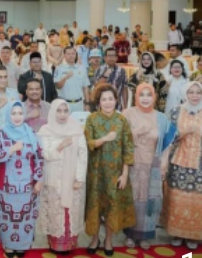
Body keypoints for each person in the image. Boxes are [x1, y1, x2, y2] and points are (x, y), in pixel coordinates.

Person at [161, 81, 202, 250]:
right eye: (191, 92)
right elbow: (166, 139)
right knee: (177, 200)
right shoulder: (175, 112)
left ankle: (193, 235)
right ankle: (177, 233)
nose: (194, 96)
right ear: (185, 94)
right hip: (177, 165)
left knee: (196, 201)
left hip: (201, 166)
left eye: (198, 92)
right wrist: (183, 132)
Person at [84, 84, 136, 256]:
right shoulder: (92, 119)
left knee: (112, 207)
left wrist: (125, 174)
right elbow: (88, 143)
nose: (107, 102)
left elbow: (128, 148)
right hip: (96, 173)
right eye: (104, 99)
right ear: (98, 102)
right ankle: (95, 239)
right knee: (95, 206)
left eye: (110, 99)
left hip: (115, 173)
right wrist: (104, 139)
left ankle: (108, 240)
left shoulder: (121, 121)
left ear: (116, 100)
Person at [121, 84, 174, 249]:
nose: (145, 98)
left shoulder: (161, 118)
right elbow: (120, 138)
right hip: (132, 164)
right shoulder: (127, 114)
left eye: (149, 95)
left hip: (153, 165)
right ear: (136, 96)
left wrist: (164, 164)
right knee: (134, 198)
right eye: (141, 94)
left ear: (154, 97)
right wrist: (136, 132)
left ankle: (144, 235)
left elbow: (168, 143)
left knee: (150, 200)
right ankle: (130, 234)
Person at [0, 101, 43, 258]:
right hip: (6, 185)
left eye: (20, 113)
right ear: (8, 115)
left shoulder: (31, 133)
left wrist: (39, 179)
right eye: (13, 113)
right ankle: (8, 245)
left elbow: (39, 157)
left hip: (27, 185)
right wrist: (12, 149)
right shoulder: (0, 133)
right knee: (6, 216)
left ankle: (22, 245)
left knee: (25, 216)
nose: (17, 117)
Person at [38, 99, 87, 254]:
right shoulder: (45, 130)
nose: (62, 114)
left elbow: (83, 155)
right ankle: (55, 244)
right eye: (59, 111)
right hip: (53, 179)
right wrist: (61, 146)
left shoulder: (76, 129)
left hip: (72, 180)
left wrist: (79, 178)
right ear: (53, 112)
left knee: (70, 213)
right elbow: (45, 154)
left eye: (65, 111)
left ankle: (68, 245)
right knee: (55, 212)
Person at [54, 47, 90, 114]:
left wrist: (87, 104)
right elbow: (58, 86)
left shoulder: (82, 68)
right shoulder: (59, 69)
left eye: (73, 53)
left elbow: (85, 87)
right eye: (68, 54)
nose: (71, 56)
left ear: (76, 55)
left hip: (79, 104)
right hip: (64, 105)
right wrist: (65, 77)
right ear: (64, 55)